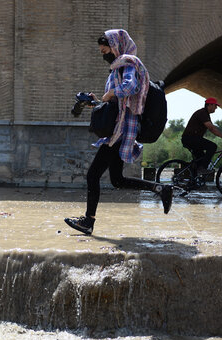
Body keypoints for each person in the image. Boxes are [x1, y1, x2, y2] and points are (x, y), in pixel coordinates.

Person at [64, 29, 173, 236]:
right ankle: (161, 189)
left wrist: (111, 93)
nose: (103, 54)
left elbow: (130, 87)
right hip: (119, 127)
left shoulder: (129, 63)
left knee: (93, 175)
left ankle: (88, 221)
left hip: (121, 130)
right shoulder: (116, 68)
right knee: (117, 180)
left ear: (115, 47)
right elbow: (116, 102)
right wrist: (97, 101)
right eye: (101, 51)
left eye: (105, 50)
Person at [182, 98, 222, 175]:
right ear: (209, 105)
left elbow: (212, 128)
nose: (216, 108)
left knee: (201, 159)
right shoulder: (202, 113)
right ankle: (202, 169)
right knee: (212, 146)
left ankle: (193, 179)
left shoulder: (205, 114)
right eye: (215, 105)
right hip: (191, 138)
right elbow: (211, 128)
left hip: (191, 139)